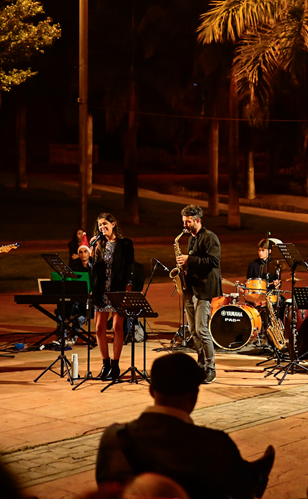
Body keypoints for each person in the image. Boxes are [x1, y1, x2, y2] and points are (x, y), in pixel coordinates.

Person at [95, 352, 275, 499]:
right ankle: (256, 475)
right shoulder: (214, 444)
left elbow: (105, 486)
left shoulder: (114, 437)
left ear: (151, 390)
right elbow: (242, 492)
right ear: (195, 395)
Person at [178, 204, 221, 383]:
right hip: (191, 288)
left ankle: (211, 368)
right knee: (193, 330)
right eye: (184, 222)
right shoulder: (191, 239)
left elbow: (213, 261)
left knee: (202, 330)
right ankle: (201, 364)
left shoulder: (210, 237)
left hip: (204, 289)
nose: (185, 225)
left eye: (188, 222)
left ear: (198, 220)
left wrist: (190, 259)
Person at [89, 213, 134, 381]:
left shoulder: (125, 244)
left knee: (117, 327)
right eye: (100, 225)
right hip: (101, 291)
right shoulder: (99, 244)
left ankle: (115, 365)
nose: (102, 227)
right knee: (99, 328)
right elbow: (94, 270)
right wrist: (92, 253)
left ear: (113, 224)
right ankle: (105, 363)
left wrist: (127, 290)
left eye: (105, 223)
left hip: (117, 290)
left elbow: (130, 267)